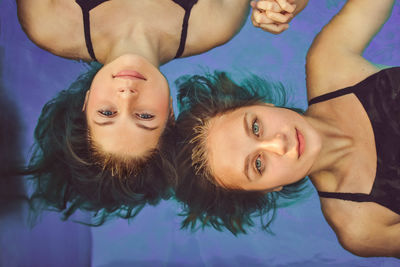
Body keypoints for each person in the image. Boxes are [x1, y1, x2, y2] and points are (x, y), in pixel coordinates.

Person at [174, 0, 399, 257]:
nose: (279, 144)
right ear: (270, 189)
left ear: (262, 104)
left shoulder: (330, 63)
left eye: (256, 127)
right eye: (258, 164)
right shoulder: (363, 227)